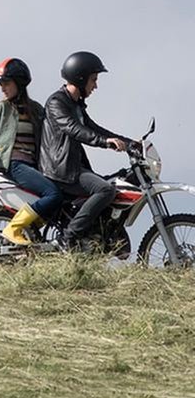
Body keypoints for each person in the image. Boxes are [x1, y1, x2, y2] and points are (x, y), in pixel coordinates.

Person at [0, 58, 62, 245]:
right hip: (14, 164)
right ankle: (14, 228)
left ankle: (31, 235)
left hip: (34, 165)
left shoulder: (36, 109)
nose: (2, 88)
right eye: (0, 84)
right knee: (53, 194)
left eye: (6, 83)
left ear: (19, 83)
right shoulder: (2, 108)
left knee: (59, 199)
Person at [39, 51, 130, 250]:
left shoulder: (76, 105)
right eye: (93, 80)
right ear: (80, 78)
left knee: (113, 181)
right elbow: (75, 129)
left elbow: (94, 128)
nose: (95, 86)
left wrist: (130, 143)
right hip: (61, 170)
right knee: (105, 189)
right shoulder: (57, 102)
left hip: (73, 167)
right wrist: (106, 142)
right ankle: (69, 238)